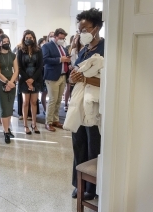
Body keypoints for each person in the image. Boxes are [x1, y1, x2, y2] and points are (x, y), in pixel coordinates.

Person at [70, 8, 104, 200]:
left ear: (96, 28)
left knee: (94, 145)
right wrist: (73, 78)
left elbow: (106, 81)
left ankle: (92, 188)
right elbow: (76, 76)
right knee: (78, 143)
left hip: (94, 106)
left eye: (85, 29)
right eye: (79, 30)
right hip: (79, 105)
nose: (81, 33)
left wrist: (83, 78)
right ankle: (79, 184)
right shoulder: (84, 50)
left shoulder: (104, 49)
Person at [42, 28, 70, 132]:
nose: (62, 40)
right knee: (53, 100)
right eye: (61, 38)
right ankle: (48, 122)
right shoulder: (47, 46)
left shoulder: (62, 47)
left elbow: (64, 58)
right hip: (52, 77)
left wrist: (67, 59)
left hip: (62, 75)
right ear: (55, 36)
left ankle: (55, 120)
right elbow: (44, 60)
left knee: (59, 100)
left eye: (64, 38)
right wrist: (60, 59)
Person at [0, 34, 19, 144]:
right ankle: (5, 132)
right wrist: (7, 82)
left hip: (11, 82)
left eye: (8, 41)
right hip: (1, 83)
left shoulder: (13, 55)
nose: (6, 43)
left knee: (9, 107)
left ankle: (8, 129)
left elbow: (16, 70)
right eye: (4, 41)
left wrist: (12, 82)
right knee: (3, 108)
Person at [17, 30, 43, 134]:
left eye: (30, 37)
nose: (28, 39)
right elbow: (19, 66)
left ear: (34, 38)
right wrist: (27, 80)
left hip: (36, 79)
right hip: (24, 79)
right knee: (25, 102)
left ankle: (34, 124)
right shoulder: (20, 50)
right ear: (24, 39)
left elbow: (40, 66)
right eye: (26, 37)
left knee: (34, 102)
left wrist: (33, 79)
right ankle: (25, 125)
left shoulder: (38, 50)